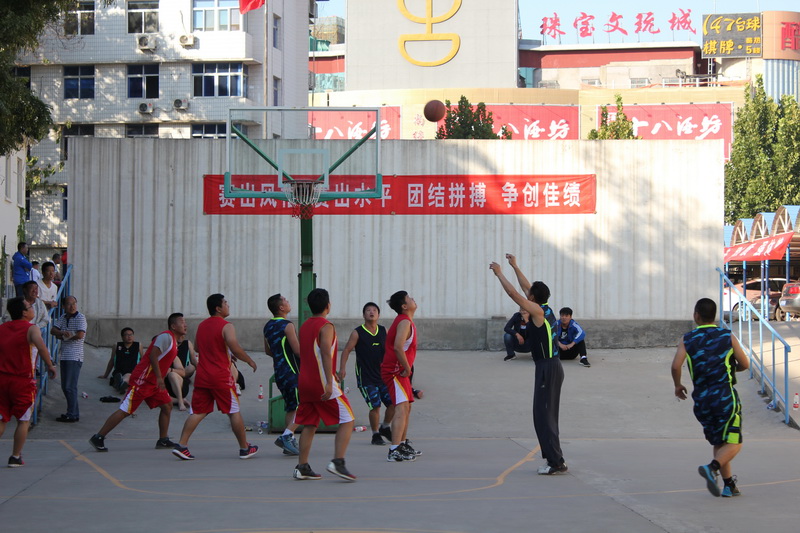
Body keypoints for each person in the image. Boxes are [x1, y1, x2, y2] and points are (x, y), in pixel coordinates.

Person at [490, 254, 567, 475]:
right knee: (545, 415)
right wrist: (515, 266)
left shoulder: (538, 312)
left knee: (543, 416)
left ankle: (555, 462)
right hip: (550, 367)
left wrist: (499, 274)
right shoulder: (544, 307)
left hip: (547, 368)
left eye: (530, 293)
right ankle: (556, 459)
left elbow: (514, 294)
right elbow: (525, 288)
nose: (527, 292)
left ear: (533, 297)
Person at [672, 298, 749, 498]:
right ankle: (712, 468)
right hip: (724, 397)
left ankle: (728, 485)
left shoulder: (687, 339)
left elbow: (675, 366)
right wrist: (731, 369)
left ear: (696, 315)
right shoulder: (726, 336)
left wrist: (678, 385)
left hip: (702, 400)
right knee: (735, 442)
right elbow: (745, 364)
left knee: (719, 442)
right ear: (714, 316)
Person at [172, 294, 258, 461]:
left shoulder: (202, 325)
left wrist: (222, 352)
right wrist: (249, 360)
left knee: (198, 412)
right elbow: (235, 346)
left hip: (203, 376)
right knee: (233, 411)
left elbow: (198, 347)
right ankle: (244, 448)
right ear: (218, 308)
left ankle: (181, 445)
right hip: (220, 377)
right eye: (225, 303)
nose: (228, 305)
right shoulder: (227, 326)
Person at [89, 313, 188, 452]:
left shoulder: (174, 341)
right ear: (173, 326)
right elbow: (153, 355)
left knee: (167, 406)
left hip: (153, 383)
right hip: (143, 380)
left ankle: (163, 440)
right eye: (182, 322)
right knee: (126, 410)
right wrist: (159, 377)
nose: (185, 325)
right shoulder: (165, 337)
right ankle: (98, 437)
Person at [293, 288, 356, 481]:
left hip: (304, 381)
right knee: (348, 419)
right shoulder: (326, 326)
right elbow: (326, 352)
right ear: (328, 305)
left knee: (310, 424)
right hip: (320, 382)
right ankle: (338, 462)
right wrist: (330, 381)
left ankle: (302, 466)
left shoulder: (304, 326)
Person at [0, 297, 57, 467]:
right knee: (23, 420)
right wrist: (50, 365)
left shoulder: (2, 328)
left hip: (2, 379)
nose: (33, 308)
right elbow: (41, 347)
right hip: (22, 381)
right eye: (30, 306)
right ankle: (15, 456)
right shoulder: (31, 329)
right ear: (24, 312)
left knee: (2, 418)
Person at [339, 302, 394, 445]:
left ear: (378, 315)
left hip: (383, 376)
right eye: (368, 310)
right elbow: (346, 350)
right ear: (364, 315)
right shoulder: (357, 332)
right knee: (375, 406)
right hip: (366, 377)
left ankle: (385, 427)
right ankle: (375, 435)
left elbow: (392, 349)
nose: (371, 312)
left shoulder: (384, 330)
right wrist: (342, 368)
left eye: (374, 310)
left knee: (394, 403)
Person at [382, 291, 421, 462]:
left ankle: (402, 443)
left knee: (407, 407)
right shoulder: (404, 322)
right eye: (409, 298)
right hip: (394, 371)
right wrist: (407, 367)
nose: (413, 299)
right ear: (404, 306)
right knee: (401, 407)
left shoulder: (406, 321)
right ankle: (394, 449)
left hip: (401, 371)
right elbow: (398, 347)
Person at [263, 293, 301, 456]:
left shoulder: (267, 326)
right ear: (281, 307)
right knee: (304, 406)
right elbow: (297, 350)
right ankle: (286, 436)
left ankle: (288, 443)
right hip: (292, 372)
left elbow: (268, 351)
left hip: (279, 372)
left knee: (291, 407)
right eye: (285, 300)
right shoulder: (287, 325)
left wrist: (280, 357)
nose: (288, 302)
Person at [51, 296, 87, 423]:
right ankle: (72, 413)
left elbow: (80, 335)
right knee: (66, 386)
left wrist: (64, 336)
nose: (72, 306)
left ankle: (72, 413)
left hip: (75, 356)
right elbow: (53, 330)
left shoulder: (80, 317)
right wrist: (62, 333)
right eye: (69, 304)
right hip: (65, 355)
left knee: (69, 386)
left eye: (74, 303)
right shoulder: (63, 317)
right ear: (63, 306)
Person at [99, 327, 141, 394]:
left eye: (131, 334)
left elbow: (143, 360)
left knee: (128, 376)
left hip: (132, 371)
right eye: (127, 335)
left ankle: (121, 383)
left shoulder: (138, 345)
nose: (129, 336)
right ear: (122, 337)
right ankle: (122, 383)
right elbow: (112, 360)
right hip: (119, 371)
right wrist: (105, 375)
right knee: (121, 376)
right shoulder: (116, 345)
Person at [165, 332, 197, 411]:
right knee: (157, 397)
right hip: (165, 384)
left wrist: (170, 370)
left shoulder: (175, 357)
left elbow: (183, 371)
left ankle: (180, 402)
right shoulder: (158, 357)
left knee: (173, 374)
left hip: (178, 380)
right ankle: (180, 400)